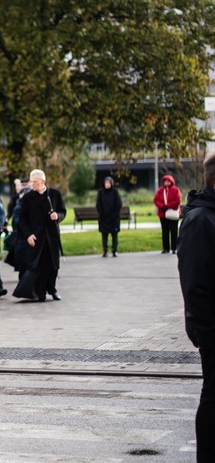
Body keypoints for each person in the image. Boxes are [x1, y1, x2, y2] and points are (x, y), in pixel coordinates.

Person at [178, 151, 215, 463]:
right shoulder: (200, 220)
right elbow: (194, 286)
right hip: (214, 330)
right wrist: (205, 333)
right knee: (214, 398)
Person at [13, 169, 66, 302]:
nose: (32, 185)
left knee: (54, 265)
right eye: (31, 182)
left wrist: (57, 216)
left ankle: (52, 289)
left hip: (52, 236)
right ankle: (40, 292)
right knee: (39, 265)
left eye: (35, 182)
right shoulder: (28, 198)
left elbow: (62, 211)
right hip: (36, 237)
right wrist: (28, 235)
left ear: (43, 181)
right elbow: (22, 220)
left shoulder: (54, 194)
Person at [154, 174, 182, 254]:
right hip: (163, 213)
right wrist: (162, 206)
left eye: (168, 181)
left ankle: (174, 247)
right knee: (164, 231)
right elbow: (156, 200)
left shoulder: (176, 190)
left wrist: (168, 205)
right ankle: (166, 248)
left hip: (172, 212)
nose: (166, 183)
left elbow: (178, 200)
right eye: (165, 181)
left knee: (174, 231)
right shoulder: (160, 190)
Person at [96, 176, 122, 258]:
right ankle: (105, 250)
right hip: (103, 217)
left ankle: (114, 250)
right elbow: (98, 204)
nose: (107, 184)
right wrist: (102, 213)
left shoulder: (115, 192)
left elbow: (118, 204)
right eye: (106, 183)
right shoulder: (101, 192)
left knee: (114, 235)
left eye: (108, 183)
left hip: (114, 217)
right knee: (104, 235)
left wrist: (114, 214)